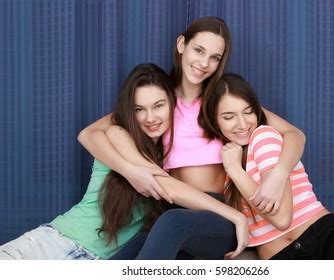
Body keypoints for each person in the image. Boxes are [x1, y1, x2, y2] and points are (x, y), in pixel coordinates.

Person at [78, 16, 305, 260]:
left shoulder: (220, 103)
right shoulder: (159, 103)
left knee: (172, 224)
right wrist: (129, 170)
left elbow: (295, 134)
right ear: (181, 45)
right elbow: (88, 134)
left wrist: (279, 174)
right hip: (172, 212)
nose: (204, 63)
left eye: (215, 58)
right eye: (199, 50)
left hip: (217, 216)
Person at [0, 64, 246, 260]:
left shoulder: (170, 157)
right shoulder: (119, 134)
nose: (150, 118)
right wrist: (236, 216)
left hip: (95, 262)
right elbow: (165, 186)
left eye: (158, 106)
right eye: (139, 109)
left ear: (173, 103)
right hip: (48, 245)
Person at [202, 72, 334, 260]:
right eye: (229, 117)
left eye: (248, 112)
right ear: (215, 122)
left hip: (326, 239)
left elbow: (281, 219)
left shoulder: (263, 137)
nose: (243, 123)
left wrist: (235, 170)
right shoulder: (228, 165)